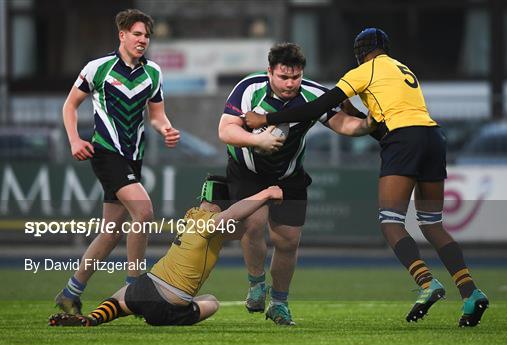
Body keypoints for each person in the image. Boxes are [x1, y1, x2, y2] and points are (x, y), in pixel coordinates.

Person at [245, 28, 489, 327]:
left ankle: (426, 284)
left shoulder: (363, 71)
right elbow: (381, 121)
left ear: (361, 52)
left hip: (404, 140)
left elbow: (316, 107)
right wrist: (355, 110)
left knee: (390, 222)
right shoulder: (402, 68)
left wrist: (265, 119)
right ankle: (471, 292)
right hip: (434, 137)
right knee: (432, 224)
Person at [218, 42, 374, 325]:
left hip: (289, 174)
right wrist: (257, 140)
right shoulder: (248, 89)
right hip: (247, 171)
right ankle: (256, 283)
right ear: (270, 72)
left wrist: (367, 125)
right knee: (253, 224)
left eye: (296, 77)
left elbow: (342, 124)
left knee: (287, 241)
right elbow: (225, 130)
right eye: (283, 77)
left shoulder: (314, 94)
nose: (290, 83)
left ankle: (279, 303)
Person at [56, 9, 181, 315]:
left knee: (111, 231)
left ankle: (70, 292)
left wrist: (166, 128)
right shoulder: (98, 68)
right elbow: (70, 106)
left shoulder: (153, 73)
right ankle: (135, 286)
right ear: (122, 35)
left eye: (147, 36)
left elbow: (157, 115)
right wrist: (74, 139)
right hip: (106, 152)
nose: (143, 40)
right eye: (137, 34)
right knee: (144, 210)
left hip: (133, 157)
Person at [49, 176, 283, 327]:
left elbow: (238, 227)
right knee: (211, 301)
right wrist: (266, 194)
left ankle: (93, 318)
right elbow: (233, 216)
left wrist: (255, 211)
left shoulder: (191, 218)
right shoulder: (209, 223)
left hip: (145, 286)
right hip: (171, 302)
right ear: (222, 204)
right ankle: (156, 314)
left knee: (121, 302)